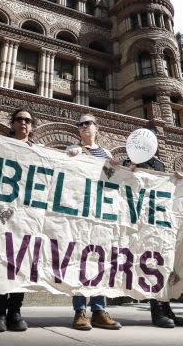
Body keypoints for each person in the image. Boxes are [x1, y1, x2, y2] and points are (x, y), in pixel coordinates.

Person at [66, 114, 122, 331]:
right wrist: (70, 157)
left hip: (102, 214)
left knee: (99, 260)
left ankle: (98, 310)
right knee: (80, 260)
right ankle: (80, 311)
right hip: (81, 212)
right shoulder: (74, 149)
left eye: (87, 123)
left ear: (96, 127)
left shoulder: (107, 154)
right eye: (80, 124)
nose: (83, 126)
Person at [122, 153, 183, 328]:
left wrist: (177, 180)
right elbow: (122, 183)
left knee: (162, 265)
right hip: (140, 222)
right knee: (150, 264)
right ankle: (156, 311)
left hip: (159, 221)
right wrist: (129, 170)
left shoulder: (159, 163)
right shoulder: (131, 159)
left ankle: (166, 308)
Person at [0, 108, 36, 333]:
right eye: (19, 119)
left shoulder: (39, 152)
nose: (23, 123)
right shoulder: (1, 144)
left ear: (32, 126)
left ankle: (15, 312)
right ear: (13, 123)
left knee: (21, 262)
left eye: (27, 120)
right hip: (3, 213)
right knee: (1, 260)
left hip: (27, 215)